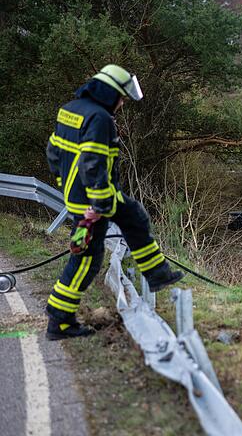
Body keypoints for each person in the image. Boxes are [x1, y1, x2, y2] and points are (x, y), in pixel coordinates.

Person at [44, 64, 184, 340]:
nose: (121, 103)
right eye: (120, 97)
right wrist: (95, 206)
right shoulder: (99, 119)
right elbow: (93, 163)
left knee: (135, 217)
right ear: (108, 93)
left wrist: (67, 188)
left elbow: (52, 152)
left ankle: (157, 273)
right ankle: (59, 320)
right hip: (96, 199)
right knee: (86, 261)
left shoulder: (69, 109)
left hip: (86, 195)